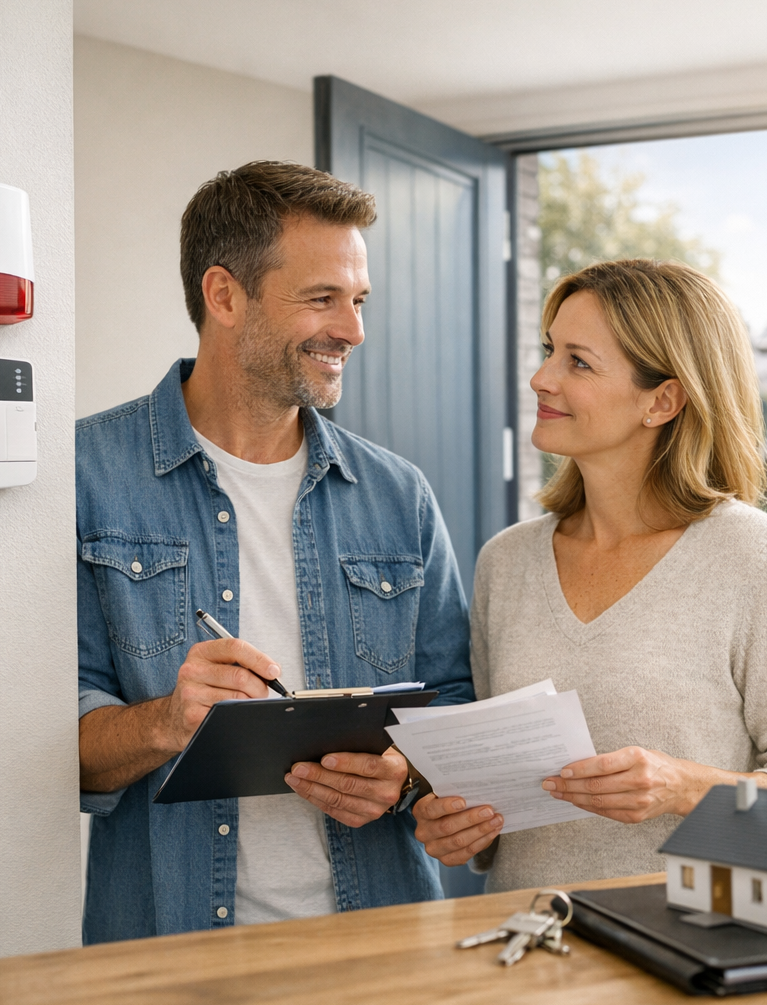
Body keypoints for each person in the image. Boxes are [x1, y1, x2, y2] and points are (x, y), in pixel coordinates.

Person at [76, 161, 472, 942]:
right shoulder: (84, 476)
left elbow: (456, 702)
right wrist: (168, 722)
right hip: (173, 954)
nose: (354, 330)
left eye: (357, 301)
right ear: (224, 295)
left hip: (383, 948)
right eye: (322, 298)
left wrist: (405, 777)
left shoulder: (400, 495)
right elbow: (46, 743)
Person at [412, 258, 767, 891]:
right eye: (550, 351)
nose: (542, 378)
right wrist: (458, 823)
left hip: (689, 946)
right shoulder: (506, 562)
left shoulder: (751, 554)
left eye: (578, 361)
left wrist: (687, 789)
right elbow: (496, 805)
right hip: (526, 943)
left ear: (662, 400)